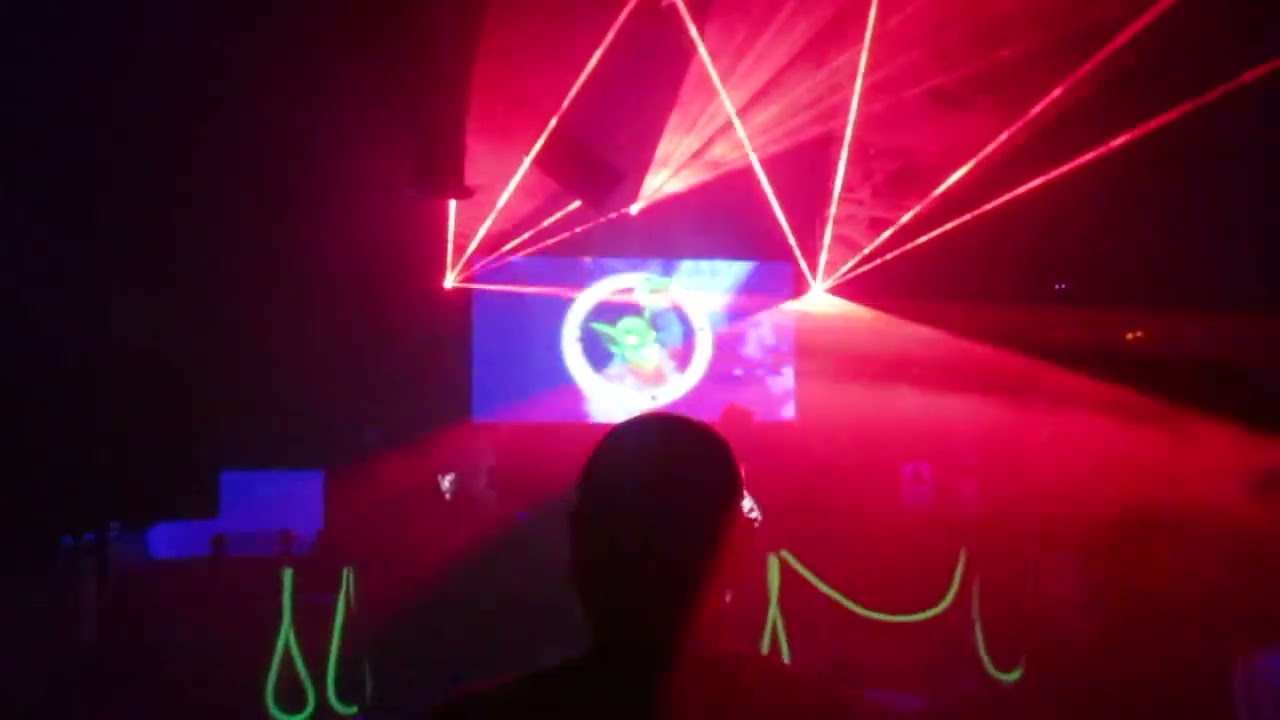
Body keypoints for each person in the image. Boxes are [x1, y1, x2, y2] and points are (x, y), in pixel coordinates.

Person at [429, 413, 849, 719]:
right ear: (736, 550)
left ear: (580, 543)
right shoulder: (818, 712)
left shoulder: (483, 717)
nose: (651, 558)